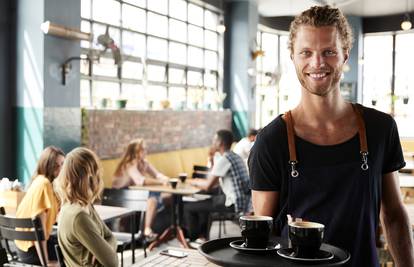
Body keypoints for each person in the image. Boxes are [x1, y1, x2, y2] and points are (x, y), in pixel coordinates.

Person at [249, 5, 413, 267]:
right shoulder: (271, 140)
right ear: (293, 56)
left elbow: (393, 215)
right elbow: (262, 236)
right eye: (306, 52)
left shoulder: (380, 128)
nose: (317, 63)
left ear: (345, 55)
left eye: (329, 52)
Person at [55, 147, 118, 267]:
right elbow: (113, 262)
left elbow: (110, 236)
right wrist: (107, 253)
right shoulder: (79, 216)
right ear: (90, 176)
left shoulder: (84, 205)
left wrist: (106, 251)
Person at [185, 129, 251, 241]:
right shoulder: (235, 156)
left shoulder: (225, 159)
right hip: (243, 201)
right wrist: (211, 159)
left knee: (188, 207)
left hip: (234, 203)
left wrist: (191, 181)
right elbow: (213, 182)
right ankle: (202, 238)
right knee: (204, 203)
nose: (212, 143)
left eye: (214, 140)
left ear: (220, 143)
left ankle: (193, 238)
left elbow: (208, 186)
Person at [15, 146, 65, 266]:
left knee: (73, 245)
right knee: (79, 252)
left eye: (63, 164)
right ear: (47, 166)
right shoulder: (44, 184)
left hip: (24, 247)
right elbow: (38, 229)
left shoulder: (40, 181)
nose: (61, 169)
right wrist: (45, 263)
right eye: (56, 166)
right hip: (33, 250)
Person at [112, 138, 170, 240]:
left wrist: (167, 179)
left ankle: (172, 230)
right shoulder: (129, 164)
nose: (145, 151)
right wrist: (161, 182)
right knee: (152, 199)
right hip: (120, 196)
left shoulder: (144, 162)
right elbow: (140, 181)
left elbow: (157, 174)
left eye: (145, 149)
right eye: (142, 149)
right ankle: (147, 230)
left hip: (133, 194)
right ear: (135, 152)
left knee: (169, 197)